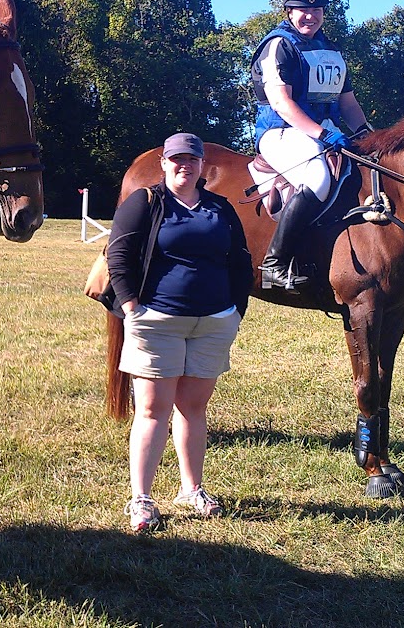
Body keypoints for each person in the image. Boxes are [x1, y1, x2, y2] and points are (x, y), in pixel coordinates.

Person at [106, 132, 252, 532]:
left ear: (203, 165)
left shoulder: (220, 207)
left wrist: (236, 309)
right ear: (164, 163)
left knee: (194, 408)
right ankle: (141, 499)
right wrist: (132, 306)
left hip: (212, 322)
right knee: (153, 410)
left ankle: (192, 489)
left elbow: (240, 260)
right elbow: (118, 253)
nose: (184, 166)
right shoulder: (146, 202)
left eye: (192, 160)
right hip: (157, 320)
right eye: (177, 159)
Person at [249, 0, 372, 290]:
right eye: (302, 10)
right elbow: (281, 102)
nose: (310, 16)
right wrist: (322, 134)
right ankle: (274, 264)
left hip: (321, 132)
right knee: (317, 178)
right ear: (289, 11)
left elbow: (348, 103)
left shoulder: (331, 50)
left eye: (316, 11)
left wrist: (368, 136)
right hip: (281, 131)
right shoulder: (279, 45)